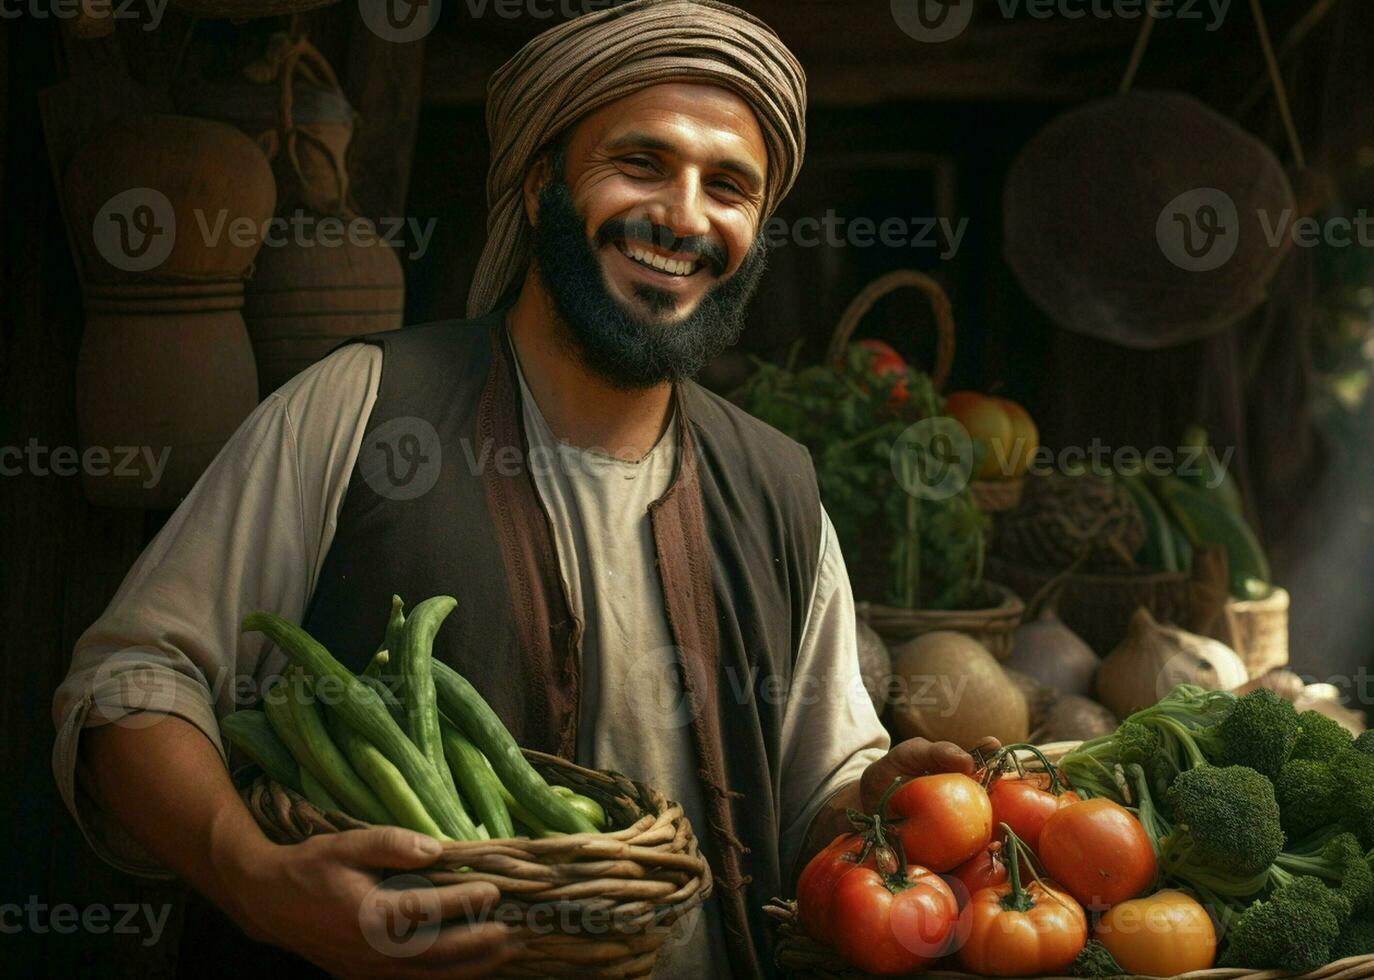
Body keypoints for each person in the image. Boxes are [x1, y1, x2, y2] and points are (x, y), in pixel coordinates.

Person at [51, 2, 984, 975]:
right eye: (643, 163)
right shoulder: (364, 407)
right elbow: (131, 684)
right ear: (541, 179)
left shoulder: (778, 485)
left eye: (731, 187)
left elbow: (813, 798)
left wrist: (873, 804)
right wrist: (247, 874)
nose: (684, 214)